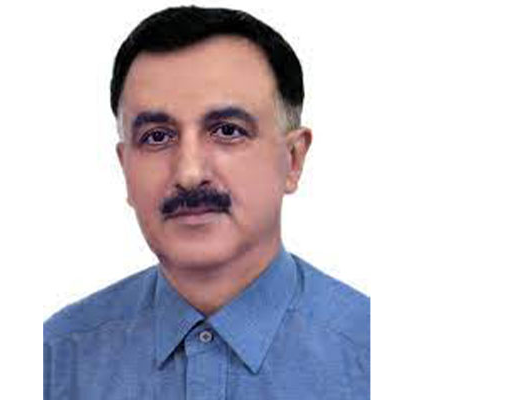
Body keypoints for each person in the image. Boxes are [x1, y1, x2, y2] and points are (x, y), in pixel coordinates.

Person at [44, 6, 369, 399]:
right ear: (125, 166)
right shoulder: (55, 362)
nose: (189, 173)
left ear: (293, 159)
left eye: (228, 131)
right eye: (157, 137)